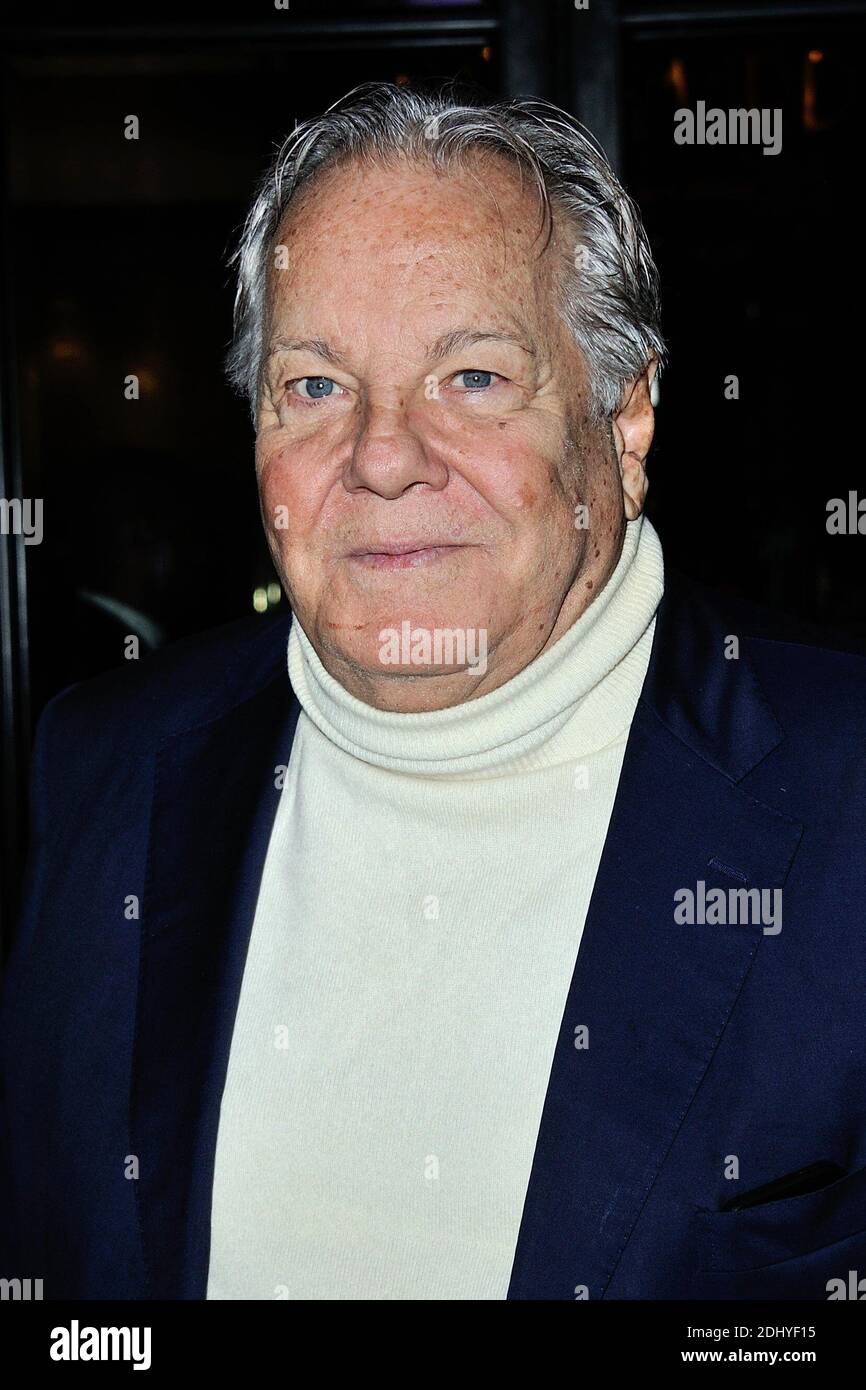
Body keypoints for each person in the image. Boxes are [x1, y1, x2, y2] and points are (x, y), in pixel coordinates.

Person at [1, 82, 864, 1302]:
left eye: (469, 376)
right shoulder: (102, 763)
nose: (383, 454)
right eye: (313, 386)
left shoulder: (842, 797)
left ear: (623, 420)